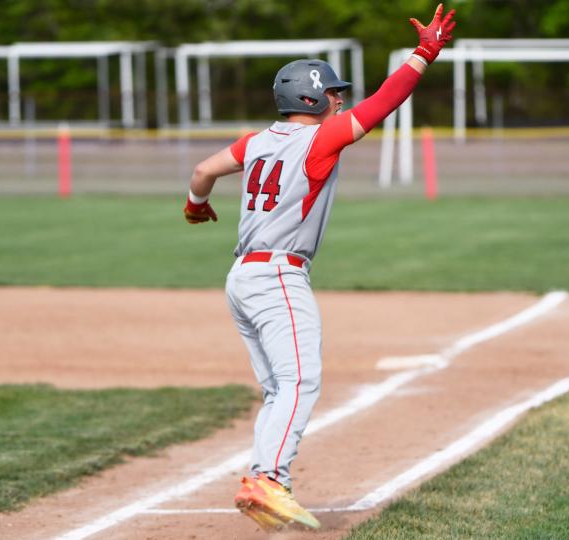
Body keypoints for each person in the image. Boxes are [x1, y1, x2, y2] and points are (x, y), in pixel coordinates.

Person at [182, 4, 456, 531]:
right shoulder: (318, 139)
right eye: (333, 92)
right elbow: (383, 103)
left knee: (280, 388)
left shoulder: (257, 141)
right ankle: (269, 481)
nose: (340, 99)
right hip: (278, 276)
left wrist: (196, 205)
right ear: (311, 97)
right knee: (301, 381)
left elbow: (202, 171)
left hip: (241, 278)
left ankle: (266, 478)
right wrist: (425, 54)